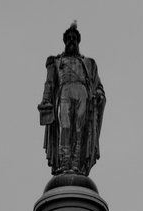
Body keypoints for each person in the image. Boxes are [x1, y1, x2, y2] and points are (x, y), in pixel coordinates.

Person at [38, 22, 105, 176]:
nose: (71, 41)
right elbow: (50, 84)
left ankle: (76, 166)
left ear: (78, 40)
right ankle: (64, 164)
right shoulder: (56, 61)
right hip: (64, 91)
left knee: (80, 130)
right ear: (65, 40)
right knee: (65, 129)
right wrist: (46, 100)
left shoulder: (89, 63)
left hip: (83, 94)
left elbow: (97, 85)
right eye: (69, 38)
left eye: (74, 38)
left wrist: (99, 95)